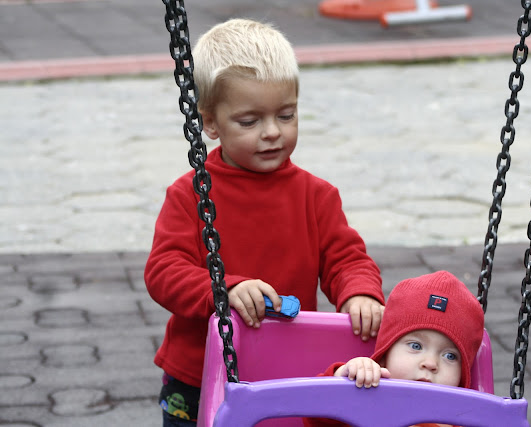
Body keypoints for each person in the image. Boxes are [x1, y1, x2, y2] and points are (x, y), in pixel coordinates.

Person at [144, 18, 385, 426]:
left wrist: (360, 293)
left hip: (287, 362)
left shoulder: (315, 196)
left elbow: (346, 258)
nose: (272, 132)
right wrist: (225, 288)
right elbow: (164, 272)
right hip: (199, 372)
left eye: (286, 115)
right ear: (210, 123)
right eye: (250, 121)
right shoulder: (191, 194)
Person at [304, 271, 485, 427]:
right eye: (416, 346)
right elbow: (313, 411)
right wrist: (343, 380)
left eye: (450, 356)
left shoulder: (464, 418)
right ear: (385, 355)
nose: (430, 363)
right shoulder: (367, 394)